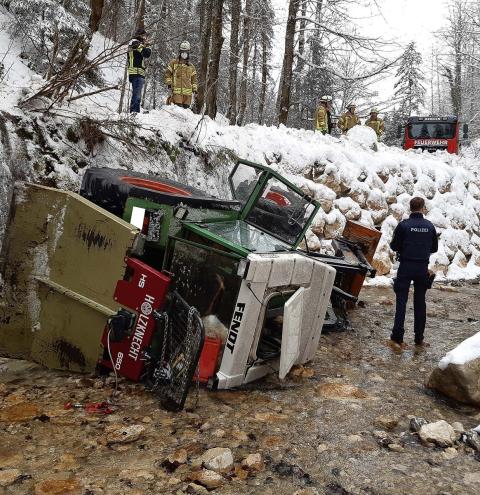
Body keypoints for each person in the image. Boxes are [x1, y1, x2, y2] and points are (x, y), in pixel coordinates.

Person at [389, 197, 438, 351]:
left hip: (405, 267)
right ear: (423, 208)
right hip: (422, 268)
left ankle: (398, 338)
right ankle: (419, 339)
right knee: (420, 303)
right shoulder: (429, 227)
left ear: (410, 208)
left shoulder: (404, 225)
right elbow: (434, 249)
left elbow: (394, 246)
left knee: (401, 302)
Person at [165, 41, 198, 109]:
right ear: (180, 52)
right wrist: (169, 84)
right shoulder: (173, 63)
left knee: (184, 114)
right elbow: (167, 74)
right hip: (176, 94)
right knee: (177, 111)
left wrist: (195, 89)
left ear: (188, 52)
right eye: (182, 51)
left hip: (187, 96)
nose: (184, 53)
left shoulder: (191, 66)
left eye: (186, 51)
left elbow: (194, 80)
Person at [127, 28, 151, 114]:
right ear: (140, 35)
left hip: (137, 73)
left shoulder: (134, 43)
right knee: (137, 95)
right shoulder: (135, 43)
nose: (145, 38)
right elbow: (146, 53)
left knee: (137, 94)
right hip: (136, 73)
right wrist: (147, 46)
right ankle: (134, 112)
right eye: (144, 36)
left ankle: (135, 112)